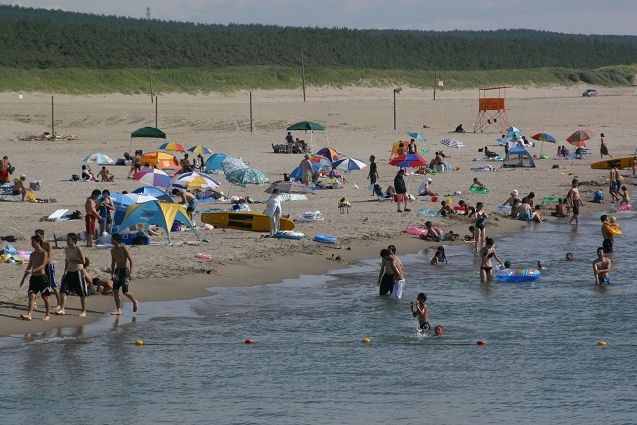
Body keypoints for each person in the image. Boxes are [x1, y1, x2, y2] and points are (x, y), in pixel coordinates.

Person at [19, 235, 51, 321]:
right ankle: (29, 314)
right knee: (31, 296)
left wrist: (32, 271)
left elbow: (43, 265)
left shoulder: (44, 252)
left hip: (42, 278)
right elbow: (28, 267)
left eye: (33, 242)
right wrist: (23, 279)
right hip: (34, 278)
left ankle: (48, 314)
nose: (32, 243)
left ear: (37, 242)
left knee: (45, 297)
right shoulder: (32, 254)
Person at [57, 233, 88, 317]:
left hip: (78, 272)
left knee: (81, 293)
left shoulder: (78, 249)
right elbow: (67, 261)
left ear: (73, 240)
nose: (66, 241)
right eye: (66, 239)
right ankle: (62, 309)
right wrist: (64, 272)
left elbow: (83, 261)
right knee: (63, 290)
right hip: (69, 272)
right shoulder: (66, 249)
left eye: (68, 240)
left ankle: (84, 311)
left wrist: (73, 261)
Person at [110, 233, 139, 314]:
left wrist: (130, 273)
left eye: (113, 239)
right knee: (115, 291)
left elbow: (130, 260)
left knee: (125, 292)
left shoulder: (123, 248)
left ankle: (134, 301)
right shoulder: (112, 250)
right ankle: (118, 309)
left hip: (125, 271)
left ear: (117, 240)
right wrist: (112, 274)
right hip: (117, 271)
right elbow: (113, 263)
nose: (111, 240)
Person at [35, 229, 60, 309]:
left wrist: (44, 264)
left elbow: (49, 256)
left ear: (42, 235)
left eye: (37, 235)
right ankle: (34, 302)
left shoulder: (46, 243)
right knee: (37, 282)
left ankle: (59, 304)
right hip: (41, 265)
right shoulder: (37, 244)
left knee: (53, 285)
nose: (36, 237)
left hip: (48, 265)